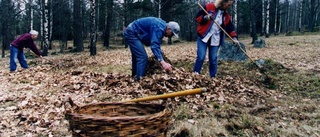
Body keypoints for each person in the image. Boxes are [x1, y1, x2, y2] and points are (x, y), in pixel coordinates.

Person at [124, 17, 180, 81]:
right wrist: (163, 62)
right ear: (169, 29)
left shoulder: (161, 26)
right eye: (172, 33)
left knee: (137, 56)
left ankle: (135, 77)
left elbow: (155, 43)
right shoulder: (159, 28)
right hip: (131, 32)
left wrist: (160, 56)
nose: (171, 36)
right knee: (142, 57)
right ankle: (139, 81)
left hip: (133, 31)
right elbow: (154, 45)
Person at [194, 0, 239, 78]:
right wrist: (206, 17)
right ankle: (195, 74)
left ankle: (213, 77)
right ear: (223, 2)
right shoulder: (209, 7)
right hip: (203, 37)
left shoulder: (226, 16)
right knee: (201, 57)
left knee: (213, 59)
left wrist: (234, 38)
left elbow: (230, 28)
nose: (228, 7)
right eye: (228, 5)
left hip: (215, 39)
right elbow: (198, 17)